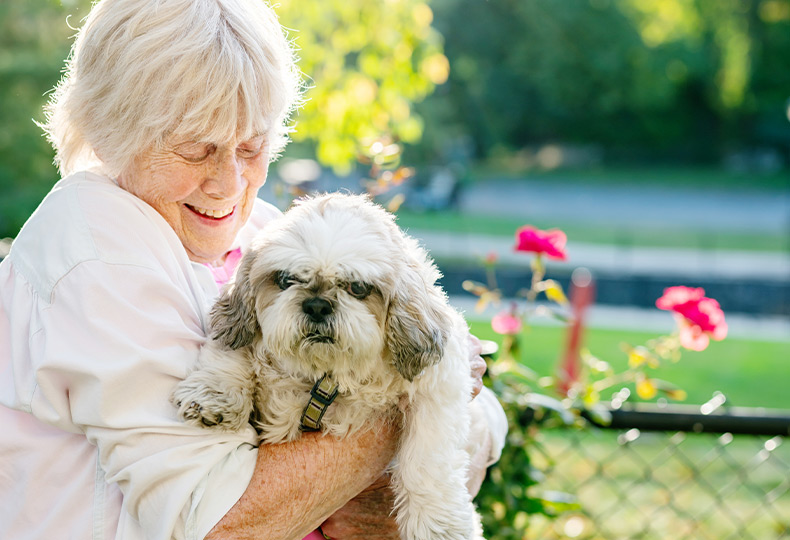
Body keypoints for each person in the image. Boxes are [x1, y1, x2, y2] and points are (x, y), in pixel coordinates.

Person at [0, 0, 507, 538]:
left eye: (252, 146)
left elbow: (480, 409)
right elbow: (219, 524)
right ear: (108, 133)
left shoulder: (258, 231)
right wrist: (404, 417)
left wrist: (436, 431)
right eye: (196, 150)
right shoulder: (98, 257)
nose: (229, 183)